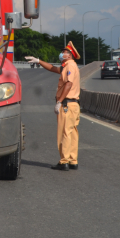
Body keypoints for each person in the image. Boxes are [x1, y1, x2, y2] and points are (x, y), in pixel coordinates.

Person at [25, 41, 81, 171]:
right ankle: (73, 160)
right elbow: (52, 68)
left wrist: (59, 101)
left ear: (70, 54)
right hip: (73, 105)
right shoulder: (67, 66)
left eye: (64, 52)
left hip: (67, 104)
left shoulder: (70, 66)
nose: (62, 53)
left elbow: (68, 84)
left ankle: (64, 161)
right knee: (72, 133)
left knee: (64, 133)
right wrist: (38, 61)